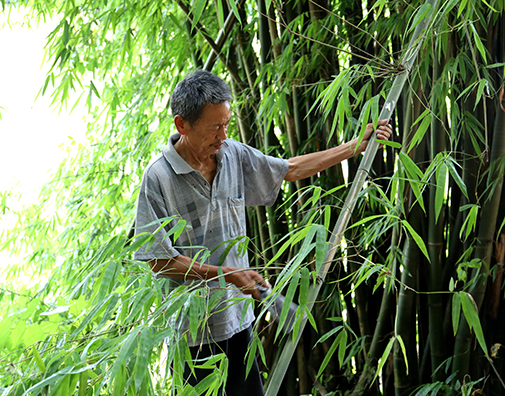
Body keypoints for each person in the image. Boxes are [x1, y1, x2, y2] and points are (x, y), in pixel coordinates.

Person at [133, 70, 392, 395]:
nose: (223, 135)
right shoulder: (158, 178)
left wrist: (355, 146)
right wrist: (226, 275)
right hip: (194, 334)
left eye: (227, 124)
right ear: (182, 125)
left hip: (239, 320)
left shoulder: (232, 155)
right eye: (215, 126)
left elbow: (290, 169)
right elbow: (159, 260)